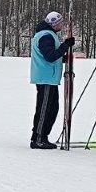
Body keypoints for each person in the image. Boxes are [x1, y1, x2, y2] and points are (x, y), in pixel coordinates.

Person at [30, 11, 76, 150]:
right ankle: (38, 138)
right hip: (45, 78)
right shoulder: (46, 36)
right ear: (54, 23)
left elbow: (53, 56)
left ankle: (43, 136)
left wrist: (65, 56)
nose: (62, 25)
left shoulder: (49, 35)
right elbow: (50, 56)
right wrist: (65, 46)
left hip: (50, 77)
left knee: (52, 108)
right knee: (45, 109)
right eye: (60, 23)